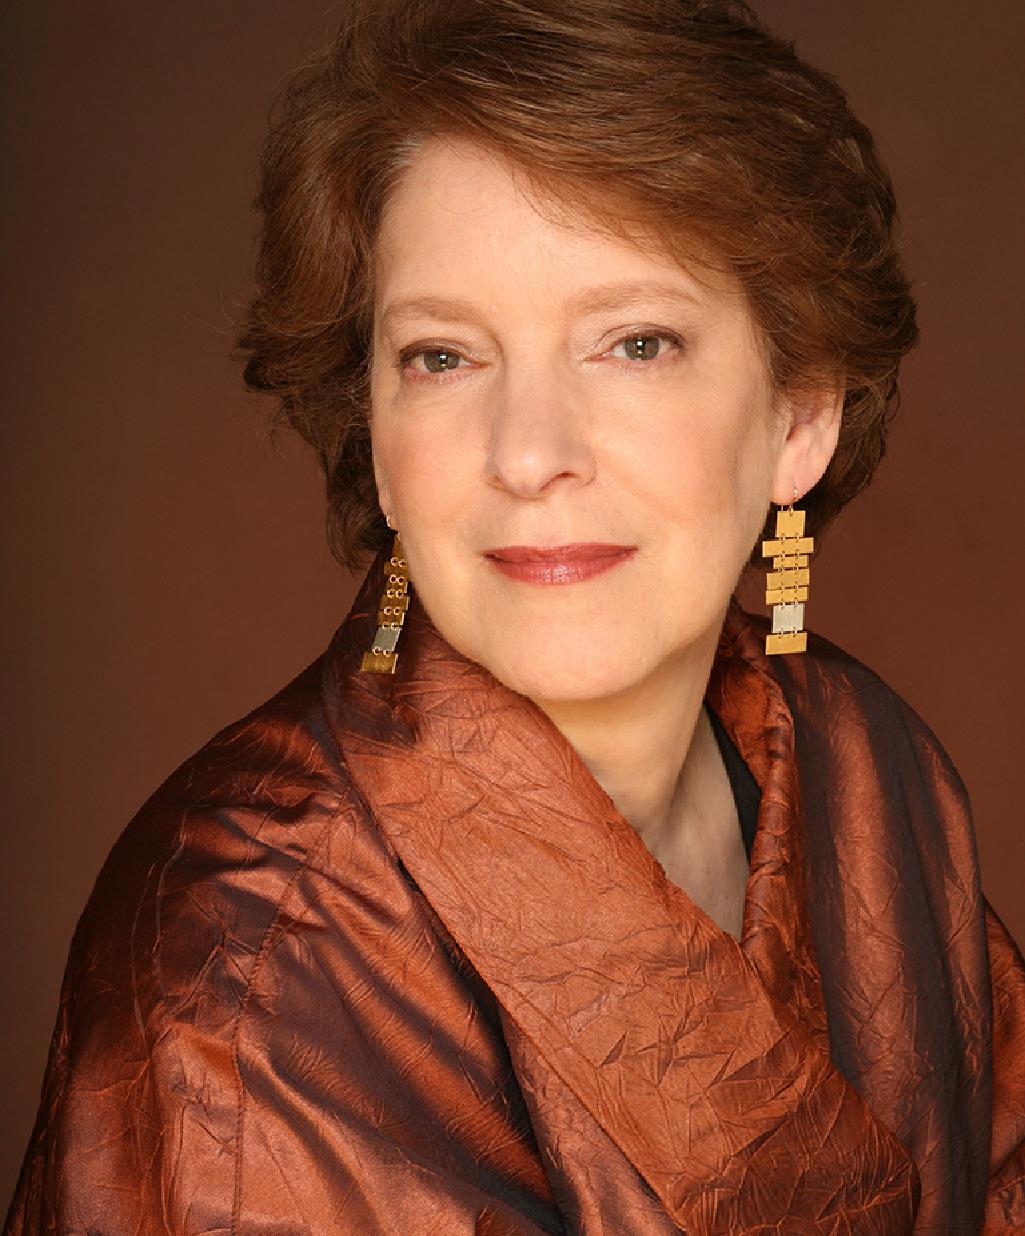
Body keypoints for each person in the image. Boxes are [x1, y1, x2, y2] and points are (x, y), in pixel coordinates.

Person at [6, 0, 1024, 1231]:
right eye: (442, 356)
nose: (529, 454)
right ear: (378, 443)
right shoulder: (242, 964)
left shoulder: (867, 763)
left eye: (633, 343)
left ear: (798, 413)